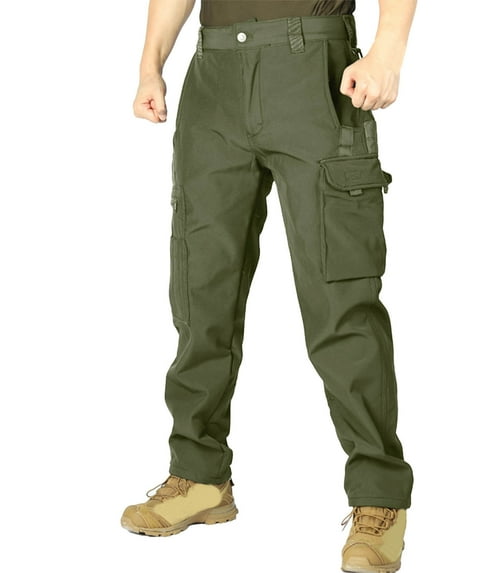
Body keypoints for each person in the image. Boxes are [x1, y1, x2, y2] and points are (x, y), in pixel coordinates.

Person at [122, 1, 417, 571]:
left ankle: (379, 499)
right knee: (200, 294)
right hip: (213, 78)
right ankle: (199, 477)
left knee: (340, 302)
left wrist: (387, 52)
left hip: (314, 72)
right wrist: (150, 64)